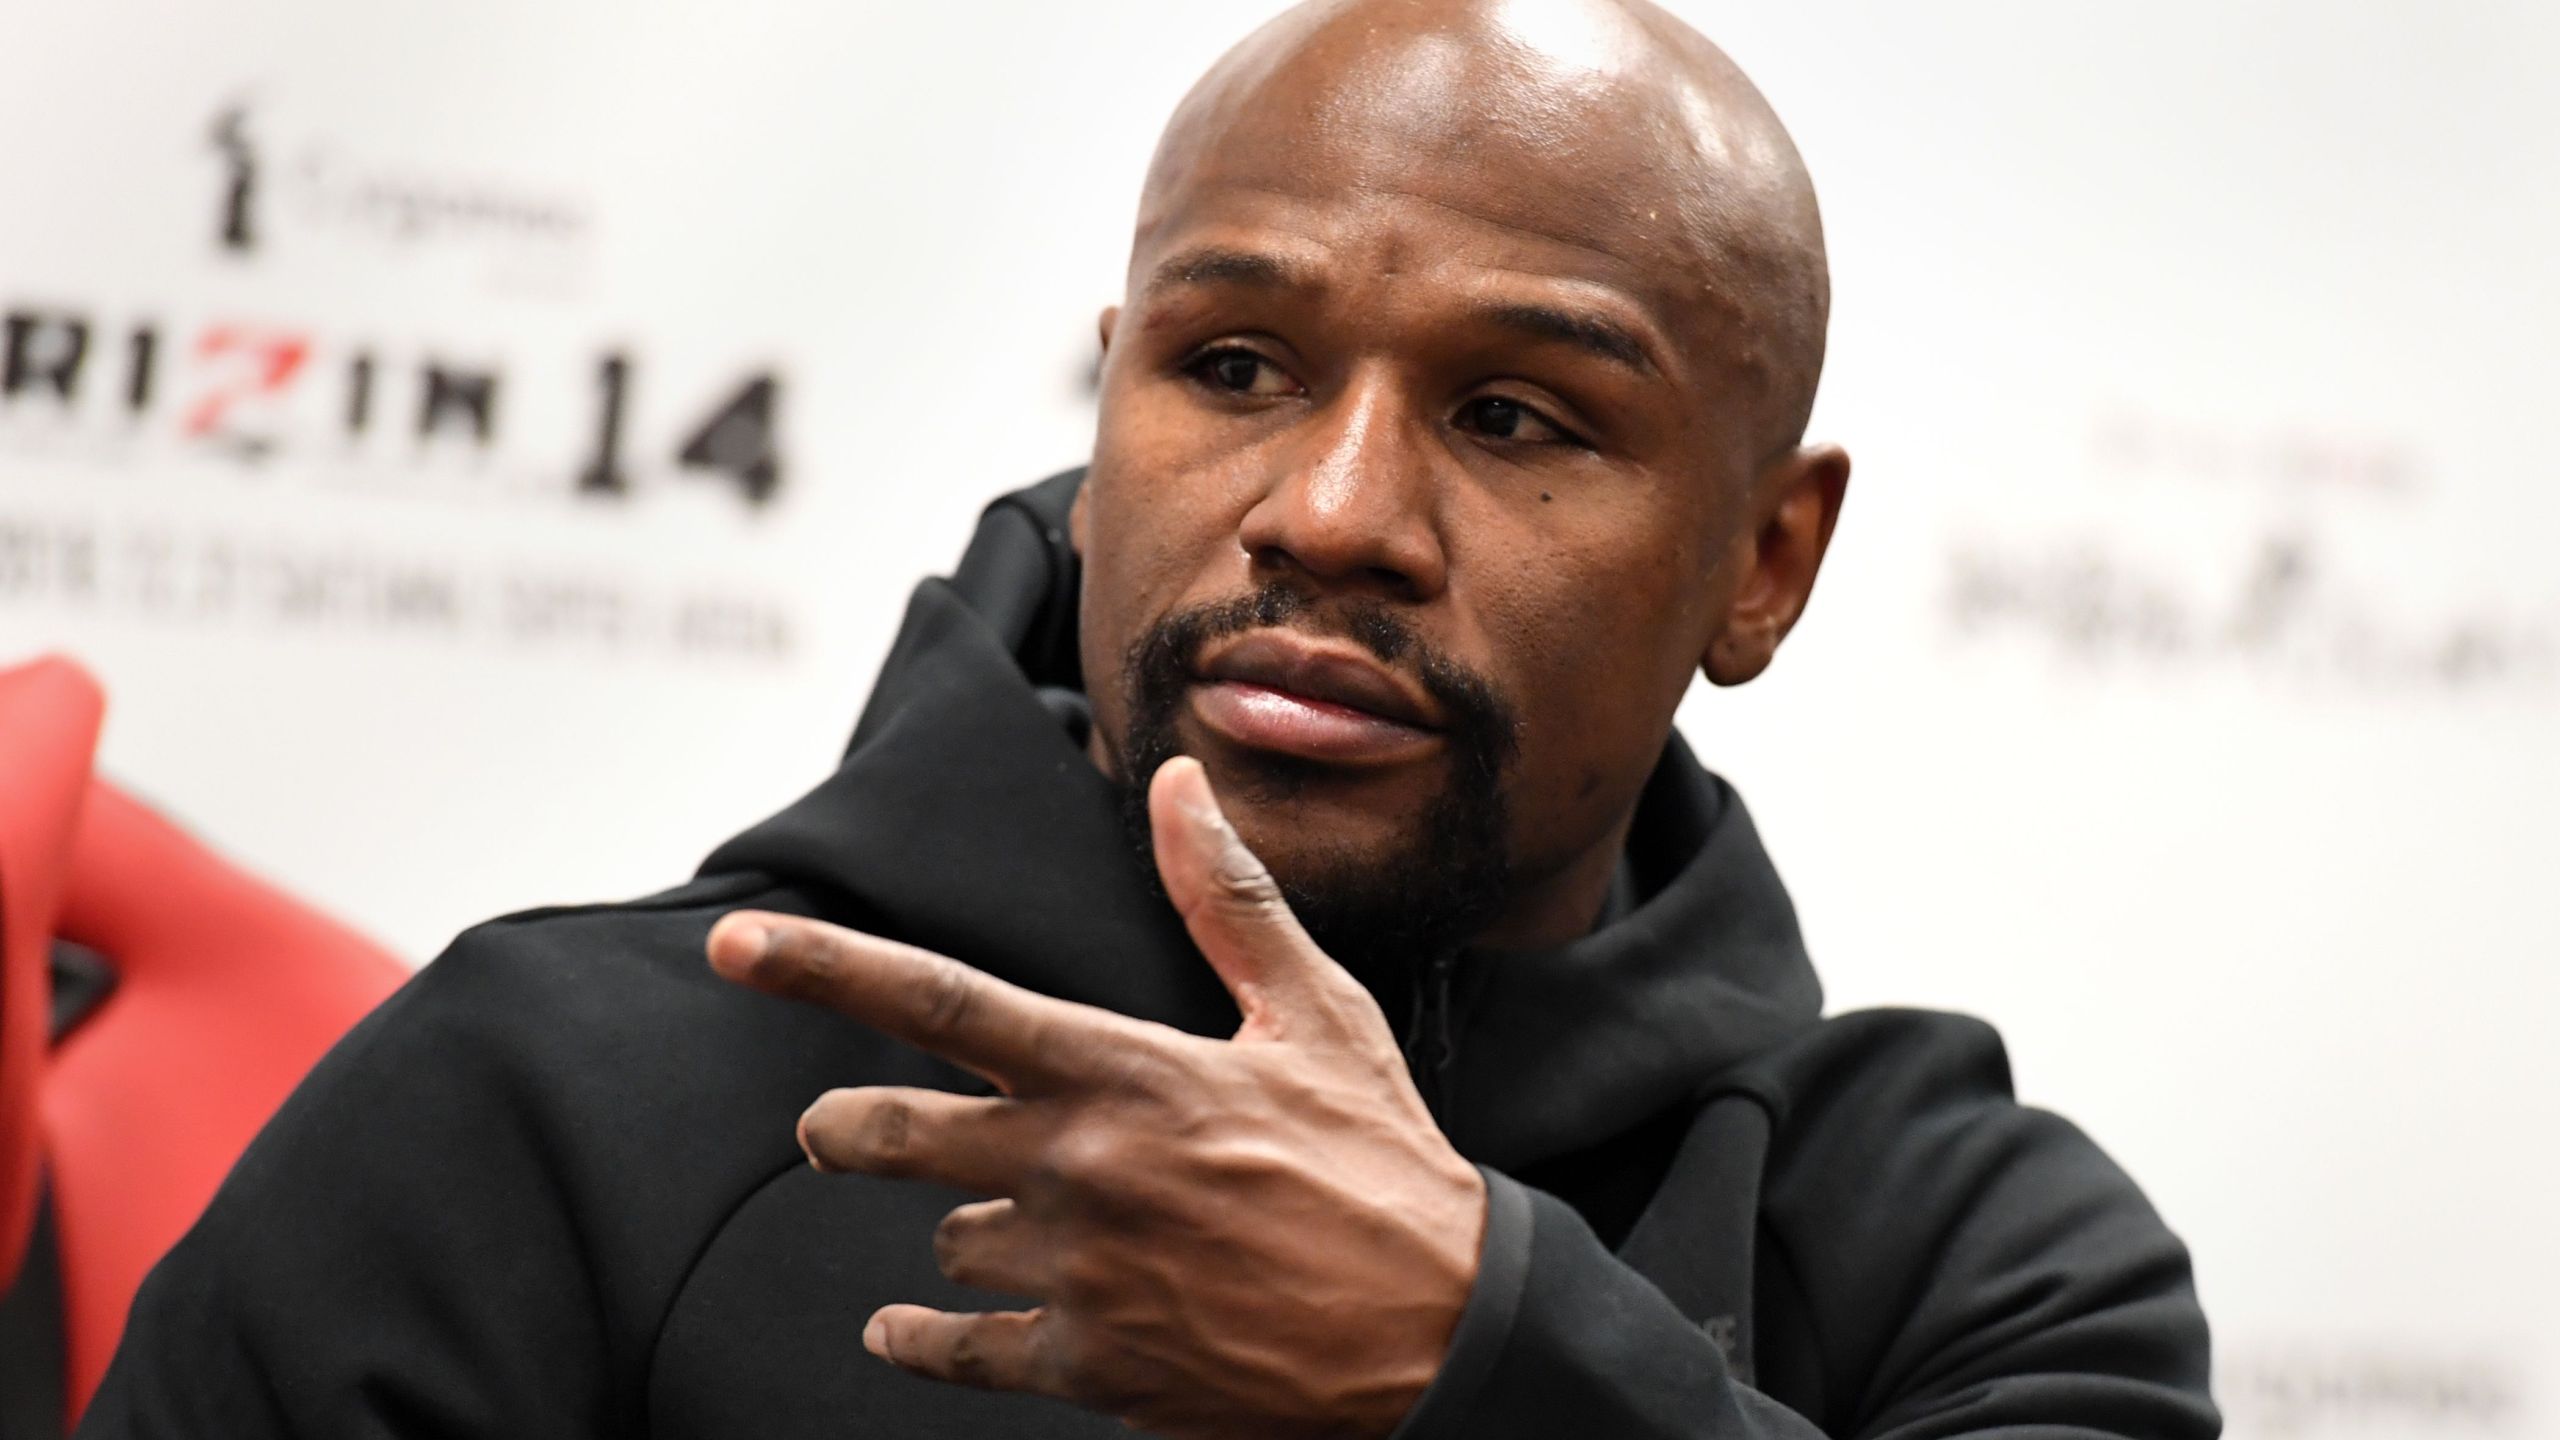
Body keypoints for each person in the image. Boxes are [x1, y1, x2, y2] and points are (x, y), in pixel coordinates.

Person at [81, 1, 2217, 1436]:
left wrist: (1486, 1361)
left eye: (1511, 414)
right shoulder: (548, 1101)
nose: (1332, 512)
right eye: (1232, 369)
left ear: (1761, 559)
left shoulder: (1972, 1258)